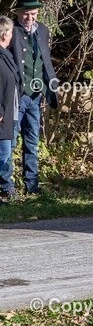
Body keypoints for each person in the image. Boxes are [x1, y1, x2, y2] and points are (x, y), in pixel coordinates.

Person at [7, 0, 58, 195]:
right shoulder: (11, 31)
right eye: (25, 14)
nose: (29, 18)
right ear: (18, 13)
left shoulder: (43, 30)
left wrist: (52, 86)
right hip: (16, 95)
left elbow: (44, 61)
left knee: (32, 141)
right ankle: (6, 186)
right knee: (9, 142)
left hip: (36, 95)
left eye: (33, 14)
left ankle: (32, 184)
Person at [0, 17, 21, 204]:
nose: (13, 35)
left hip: (11, 112)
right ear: (4, 34)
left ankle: (6, 188)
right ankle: (6, 188)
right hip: (2, 115)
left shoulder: (6, 54)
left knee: (7, 153)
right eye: (11, 32)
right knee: (2, 154)